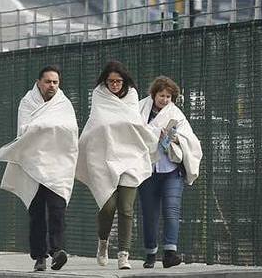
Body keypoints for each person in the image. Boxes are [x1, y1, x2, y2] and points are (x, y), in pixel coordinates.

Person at [0, 65, 79, 272]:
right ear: (39, 82)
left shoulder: (64, 104)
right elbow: (25, 130)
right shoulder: (27, 102)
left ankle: (58, 251)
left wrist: (43, 127)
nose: (52, 85)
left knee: (58, 210)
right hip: (32, 165)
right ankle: (39, 256)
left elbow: (71, 130)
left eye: (55, 82)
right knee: (37, 213)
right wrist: (48, 127)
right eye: (48, 81)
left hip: (57, 165)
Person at [75, 60, 157, 270]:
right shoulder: (99, 95)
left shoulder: (131, 97)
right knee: (108, 206)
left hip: (130, 157)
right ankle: (103, 242)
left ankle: (123, 255)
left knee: (126, 209)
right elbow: (98, 123)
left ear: (124, 81)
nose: (114, 85)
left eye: (118, 81)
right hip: (104, 158)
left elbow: (134, 124)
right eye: (110, 81)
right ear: (105, 81)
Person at [138, 76, 203, 269]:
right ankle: (150, 253)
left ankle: (170, 254)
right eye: (161, 95)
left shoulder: (177, 115)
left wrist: (174, 138)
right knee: (149, 214)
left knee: (172, 210)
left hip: (171, 169)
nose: (164, 99)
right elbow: (133, 132)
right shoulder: (140, 109)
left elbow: (189, 138)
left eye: (168, 96)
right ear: (154, 94)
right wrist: (153, 134)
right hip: (147, 170)